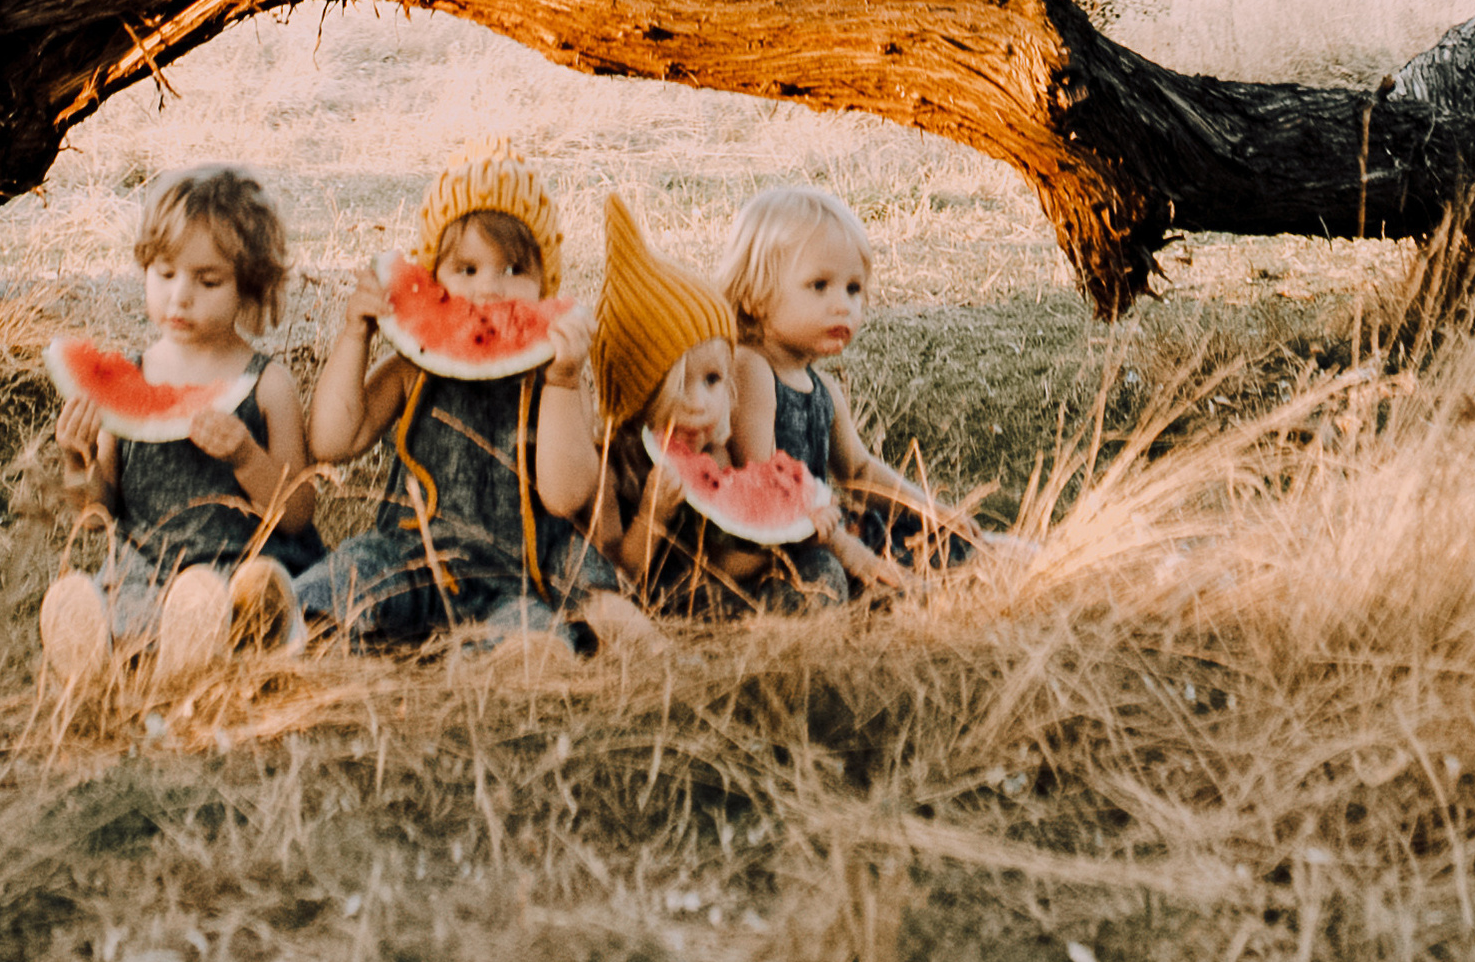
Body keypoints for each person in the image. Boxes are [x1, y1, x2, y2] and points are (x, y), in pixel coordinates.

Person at [297, 137, 614, 651]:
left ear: (544, 283)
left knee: (532, 633)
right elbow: (334, 441)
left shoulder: (552, 377)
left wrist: (563, 381)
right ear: (431, 278)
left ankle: (497, 657)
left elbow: (566, 493)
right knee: (348, 574)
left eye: (513, 270)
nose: (489, 290)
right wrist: (355, 336)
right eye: (467, 270)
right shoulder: (410, 369)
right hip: (405, 559)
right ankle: (284, 619)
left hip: (515, 576)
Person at [40, 161, 320, 694]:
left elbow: (298, 514)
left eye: (207, 280)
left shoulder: (268, 383)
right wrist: (77, 462)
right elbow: (100, 514)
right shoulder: (131, 376)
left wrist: (246, 458)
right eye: (165, 274)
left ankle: (208, 645)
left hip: (246, 567)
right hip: (148, 572)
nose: (180, 296)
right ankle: (104, 660)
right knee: (108, 597)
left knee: (253, 592)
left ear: (248, 286)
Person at [588, 191, 846, 617]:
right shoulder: (611, 468)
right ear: (637, 391)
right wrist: (651, 517)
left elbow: (725, 566)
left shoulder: (715, 454)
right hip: (655, 607)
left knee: (821, 567)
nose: (700, 403)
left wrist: (795, 531)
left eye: (713, 381)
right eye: (678, 385)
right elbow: (618, 577)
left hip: (717, 596)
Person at [720, 179, 985, 584]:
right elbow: (766, 485)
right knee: (825, 578)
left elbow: (858, 471)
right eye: (819, 285)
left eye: (854, 289)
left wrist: (929, 509)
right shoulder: (751, 368)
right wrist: (853, 554)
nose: (843, 304)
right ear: (756, 295)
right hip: (776, 550)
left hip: (830, 530)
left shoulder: (823, 387)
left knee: (976, 549)